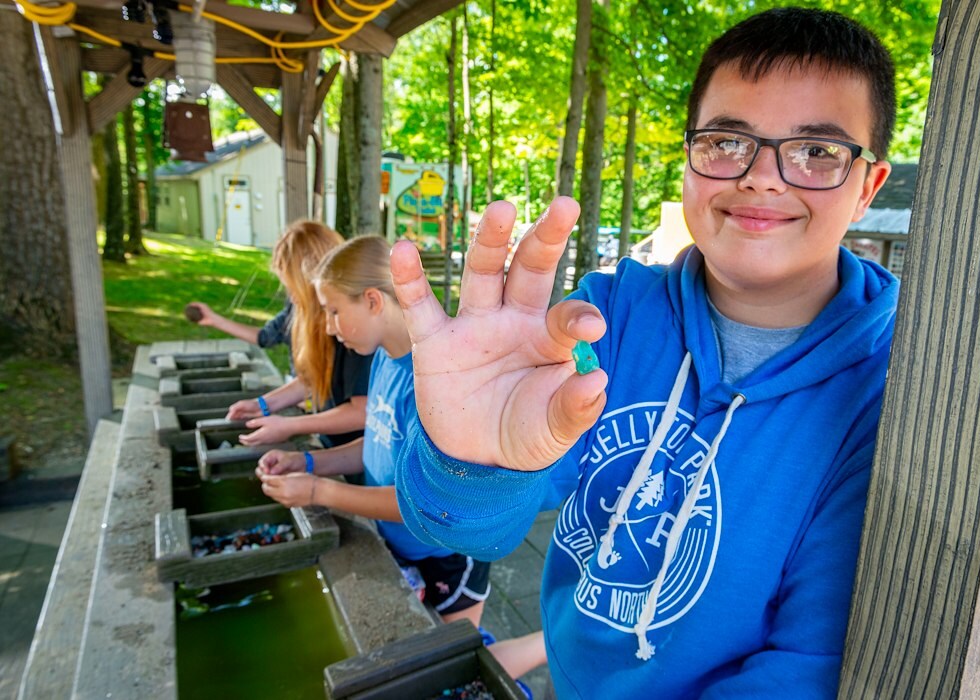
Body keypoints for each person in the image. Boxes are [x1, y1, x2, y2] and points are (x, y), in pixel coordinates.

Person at [390, 7, 896, 698]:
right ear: (689, 157)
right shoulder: (608, 315)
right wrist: (474, 458)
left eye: (817, 152)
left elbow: (807, 669)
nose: (763, 178)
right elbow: (466, 529)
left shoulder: (890, 388)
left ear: (867, 185)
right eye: (727, 142)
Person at [255, 236, 547, 682]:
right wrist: (309, 464)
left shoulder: (430, 379)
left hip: (446, 551)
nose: (329, 327)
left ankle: (547, 643)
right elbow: (376, 444)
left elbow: (420, 502)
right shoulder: (384, 360)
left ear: (373, 301)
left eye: (334, 311)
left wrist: (319, 491)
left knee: (453, 667)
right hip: (400, 544)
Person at [220, 221, 374, 450]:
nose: (292, 299)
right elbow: (315, 376)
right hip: (333, 447)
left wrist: (290, 426)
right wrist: (262, 404)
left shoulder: (352, 330)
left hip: (359, 456)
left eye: (293, 289)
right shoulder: (323, 321)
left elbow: (361, 412)